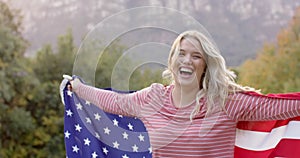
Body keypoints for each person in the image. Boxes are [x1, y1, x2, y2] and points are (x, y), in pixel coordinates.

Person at [63, 30, 300, 157]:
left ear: (206, 65)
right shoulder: (152, 98)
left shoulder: (226, 102)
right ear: (172, 59)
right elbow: (114, 101)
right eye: (182, 53)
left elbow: (278, 107)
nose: (187, 60)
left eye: (196, 56)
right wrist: (78, 87)